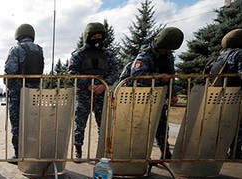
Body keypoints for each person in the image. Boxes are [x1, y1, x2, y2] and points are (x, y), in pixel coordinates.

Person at [128, 26, 184, 159]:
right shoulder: (145, 55)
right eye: (165, 48)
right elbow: (137, 74)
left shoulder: (168, 56)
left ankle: (165, 153)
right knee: (139, 126)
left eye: (169, 50)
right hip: (142, 96)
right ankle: (136, 155)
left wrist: (173, 93)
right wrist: (158, 77)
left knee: (162, 125)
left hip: (158, 96)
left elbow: (171, 75)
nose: (166, 51)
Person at [68, 22, 119, 159]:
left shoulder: (108, 54)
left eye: (99, 35)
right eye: (94, 35)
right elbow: (72, 74)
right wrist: (88, 85)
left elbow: (114, 71)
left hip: (102, 95)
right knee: (80, 124)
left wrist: (104, 85)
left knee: (103, 125)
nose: (97, 38)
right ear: (88, 36)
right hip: (84, 95)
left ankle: (102, 152)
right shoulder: (79, 54)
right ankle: (78, 150)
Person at [4, 24, 44, 162]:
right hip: (35, 93)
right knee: (33, 123)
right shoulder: (40, 49)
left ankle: (18, 154)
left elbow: (10, 69)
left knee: (17, 124)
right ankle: (32, 153)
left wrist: (7, 83)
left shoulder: (16, 49)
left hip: (18, 93)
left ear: (18, 35)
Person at [203, 28, 242, 159]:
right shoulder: (239, 54)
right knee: (238, 125)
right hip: (235, 96)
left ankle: (215, 152)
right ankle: (235, 152)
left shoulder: (221, 54)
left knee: (220, 124)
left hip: (217, 96)